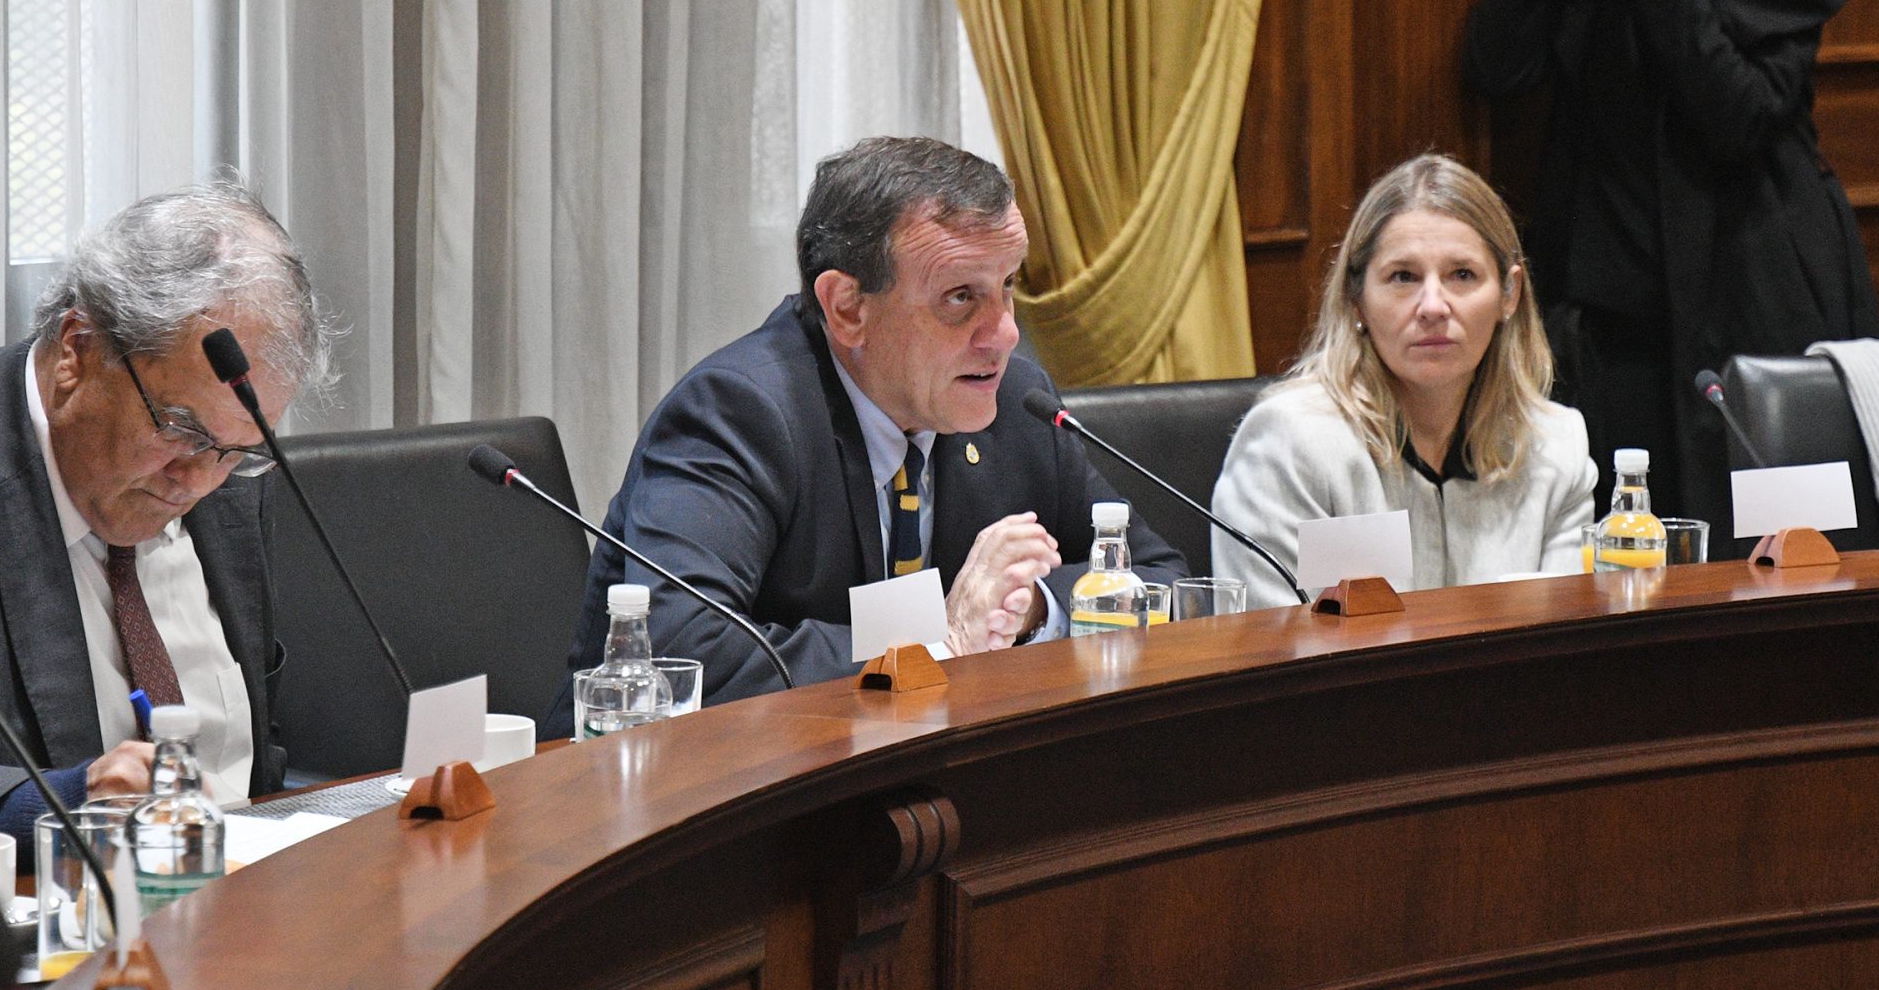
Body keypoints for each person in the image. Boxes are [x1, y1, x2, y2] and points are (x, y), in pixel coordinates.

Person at [559, 136, 1184, 708]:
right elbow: (680, 654)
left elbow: (1165, 584)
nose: (1004, 334)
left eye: (1008, 285)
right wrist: (938, 639)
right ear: (848, 309)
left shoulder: (1018, 403)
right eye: (960, 297)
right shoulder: (740, 413)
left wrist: (1029, 607)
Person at [1464, 0, 1877, 532]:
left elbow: (1737, 117)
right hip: (1611, 326)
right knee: (1623, 557)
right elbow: (1497, 68)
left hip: (1755, 304)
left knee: (1782, 553)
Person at [0, 182, 320, 890]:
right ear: (78, 349)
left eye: (238, 451)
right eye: (180, 429)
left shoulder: (226, 468)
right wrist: (51, 805)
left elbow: (254, 755)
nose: (196, 481)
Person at [1210, 155, 1599, 610]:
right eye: (1403, 277)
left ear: (1509, 294)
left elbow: (1563, 639)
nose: (1433, 306)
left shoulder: (1555, 446)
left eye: (1462, 275)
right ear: (1356, 299)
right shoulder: (1292, 445)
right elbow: (1271, 639)